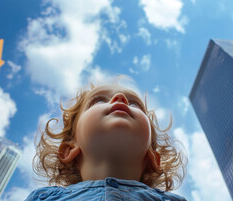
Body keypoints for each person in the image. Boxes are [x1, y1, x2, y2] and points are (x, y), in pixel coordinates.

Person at [26, 80, 187, 200]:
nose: (120, 98)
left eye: (135, 105)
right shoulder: (45, 198)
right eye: (99, 100)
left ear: (154, 158)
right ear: (69, 150)